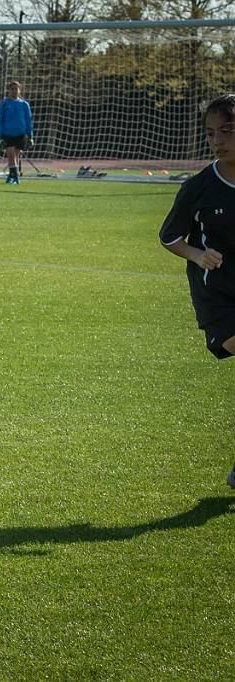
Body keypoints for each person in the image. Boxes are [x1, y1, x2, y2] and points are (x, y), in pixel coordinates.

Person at [158, 93, 235, 488]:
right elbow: (168, 237)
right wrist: (199, 254)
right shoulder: (199, 188)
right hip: (217, 296)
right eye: (211, 133)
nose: (218, 140)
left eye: (227, 130)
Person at [0, 81, 33, 185]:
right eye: (12, 89)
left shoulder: (24, 104)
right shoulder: (4, 104)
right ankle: (16, 178)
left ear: (19, 90)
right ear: (9, 90)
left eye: (16, 89)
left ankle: (11, 177)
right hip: (8, 134)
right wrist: (0, 135)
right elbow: (0, 119)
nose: (14, 91)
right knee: (11, 156)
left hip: (20, 134)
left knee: (15, 157)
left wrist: (30, 136)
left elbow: (28, 120)